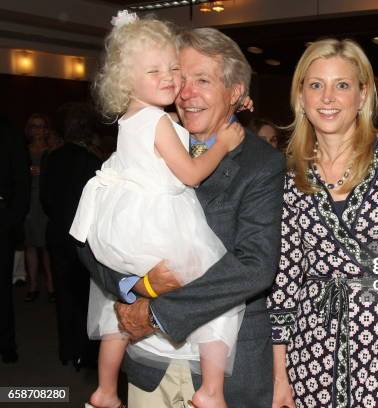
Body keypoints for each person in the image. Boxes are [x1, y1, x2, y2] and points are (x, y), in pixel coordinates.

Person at [77, 25, 285, 408]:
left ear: (236, 92)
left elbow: (255, 265)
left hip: (226, 368)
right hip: (148, 361)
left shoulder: (262, 163)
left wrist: (155, 310)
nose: (184, 92)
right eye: (179, 77)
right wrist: (133, 285)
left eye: (202, 80)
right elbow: (90, 238)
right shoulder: (141, 145)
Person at [268, 38, 378, 408]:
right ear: (301, 96)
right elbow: (286, 278)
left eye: (342, 85)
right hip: (312, 350)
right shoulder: (290, 174)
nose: (328, 97)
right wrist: (280, 377)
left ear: (363, 94)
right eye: (315, 85)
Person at [40, 102, 102, 369]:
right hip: (83, 239)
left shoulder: (51, 157)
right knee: (86, 296)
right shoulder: (93, 161)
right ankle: (84, 355)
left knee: (64, 295)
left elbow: (45, 199)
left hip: (57, 234)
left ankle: (66, 350)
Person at [0, 115, 30, 364]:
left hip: (2, 218)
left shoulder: (9, 132)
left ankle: (6, 344)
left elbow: (22, 180)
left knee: (2, 288)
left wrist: (11, 220)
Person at [23, 113, 54, 302]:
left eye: (41, 126)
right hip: (29, 201)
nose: (38, 130)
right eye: (34, 126)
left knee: (47, 246)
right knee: (30, 245)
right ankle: (32, 286)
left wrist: (45, 173)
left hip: (45, 202)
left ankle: (51, 286)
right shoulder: (23, 151)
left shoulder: (52, 151)